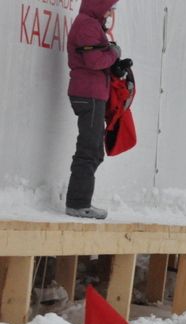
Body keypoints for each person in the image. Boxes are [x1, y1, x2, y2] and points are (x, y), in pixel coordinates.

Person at [65, 0, 125, 219]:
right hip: (88, 94)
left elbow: (97, 57)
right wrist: (114, 54)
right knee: (89, 149)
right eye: (109, 6)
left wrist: (113, 60)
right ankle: (78, 203)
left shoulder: (92, 24)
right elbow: (93, 61)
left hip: (93, 94)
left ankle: (79, 201)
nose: (111, 12)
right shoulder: (88, 25)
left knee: (94, 150)